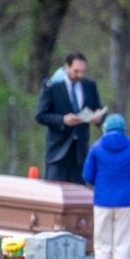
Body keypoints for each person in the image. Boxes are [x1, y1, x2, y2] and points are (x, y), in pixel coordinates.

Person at [82, 114, 130, 259]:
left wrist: (102, 184)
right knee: (122, 243)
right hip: (126, 202)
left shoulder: (96, 148)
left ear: (105, 129)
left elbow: (87, 175)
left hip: (102, 201)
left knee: (102, 243)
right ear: (123, 129)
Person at [36, 52, 105, 184]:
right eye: (76, 71)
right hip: (57, 152)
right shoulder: (52, 86)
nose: (80, 75)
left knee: (78, 196)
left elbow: (98, 109)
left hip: (79, 153)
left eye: (83, 72)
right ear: (66, 67)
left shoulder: (90, 86)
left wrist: (98, 118)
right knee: (55, 194)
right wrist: (62, 120)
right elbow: (40, 115)